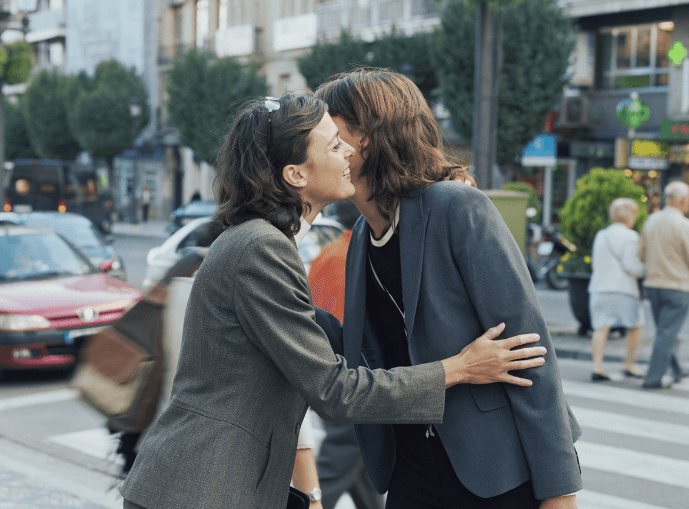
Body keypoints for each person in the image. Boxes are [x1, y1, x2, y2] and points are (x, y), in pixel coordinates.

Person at [119, 92, 547, 509]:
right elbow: (333, 390)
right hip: (202, 487)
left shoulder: (262, 241)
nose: (349, 154)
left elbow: (319, 337)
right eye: (335, 144)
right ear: (296, 175)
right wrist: (460, 368)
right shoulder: (261, 248)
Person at [315, 69, 582, 509]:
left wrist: (559, 495)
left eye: (328, 128)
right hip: (411, 469)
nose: (318, 140)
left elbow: (530, 353)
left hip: (495, 473)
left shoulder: (455, 207)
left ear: (363, 136)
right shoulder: (364, 234)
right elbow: (370, 352)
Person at [309, 199, 385, 509]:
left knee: (364, 471)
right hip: (355, 379)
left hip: (330, 371)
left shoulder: (327, 255)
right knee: (338, 462)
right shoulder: (362, 256)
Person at [588, 198, 645, 381]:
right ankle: (629, 364)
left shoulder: (601, 234)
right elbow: (632, 267)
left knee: (601, 328)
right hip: (623, 289)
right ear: (630, 215)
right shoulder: (631, 236)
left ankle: (597, 367)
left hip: (599, 288)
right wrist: (648, 269)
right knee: (636, 325)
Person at [639, 180, 689, 389]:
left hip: (653, 284)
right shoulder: (683, 224)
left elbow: (641, 253)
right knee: (667, 332)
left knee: (664, 330)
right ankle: (653, 378)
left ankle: (677, 369)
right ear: (682, 200)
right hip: (677, 285)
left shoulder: (651, 220)